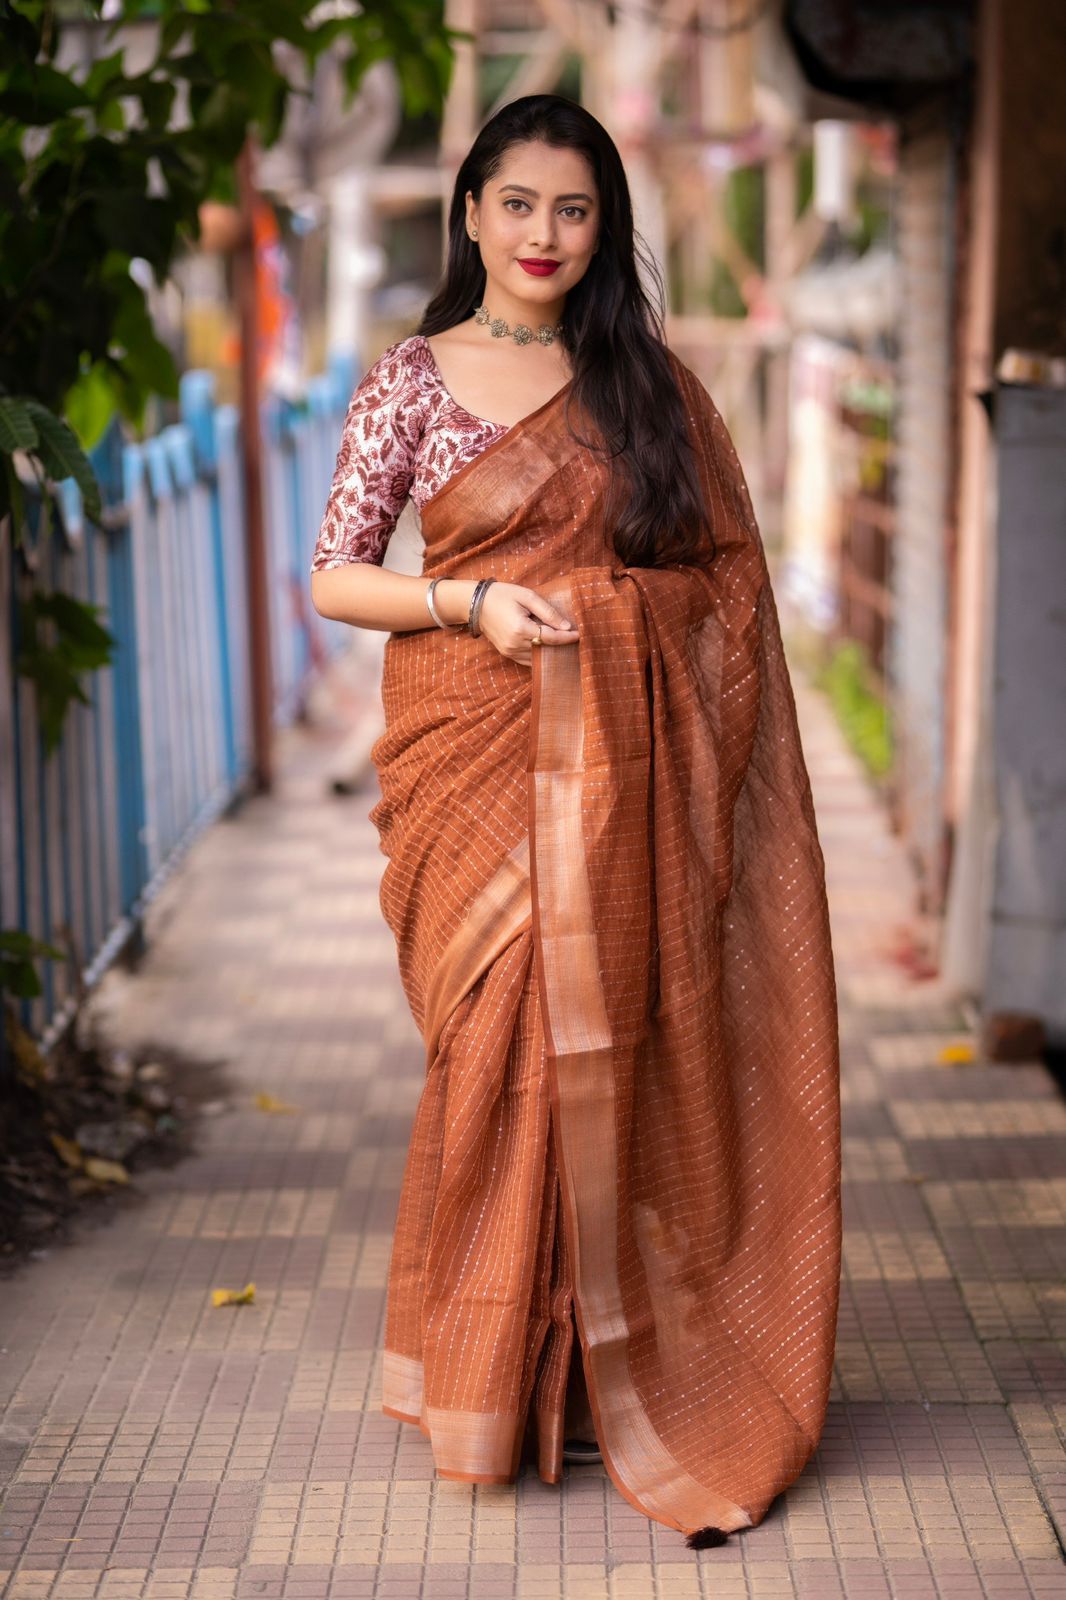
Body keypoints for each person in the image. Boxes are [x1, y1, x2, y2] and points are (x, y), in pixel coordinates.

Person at [309, 93, 841, 1551]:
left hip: (613, 784)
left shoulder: (645, 388)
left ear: (601, 229)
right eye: (519, 203)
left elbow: (722, 587)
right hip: (466, 762)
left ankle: (596, 1367)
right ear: (470, 210)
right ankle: (503, 1369)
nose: (544, 235)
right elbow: (336, 575)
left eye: (576, 209)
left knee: (593, 1050)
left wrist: (615, 629)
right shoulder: (409, 382)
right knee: (495, 1054)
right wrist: (469, 601)